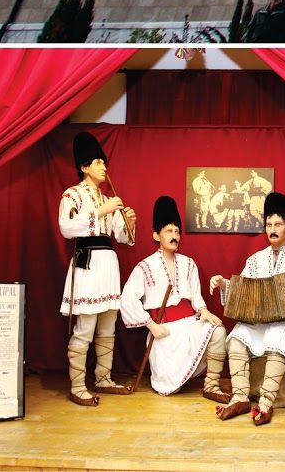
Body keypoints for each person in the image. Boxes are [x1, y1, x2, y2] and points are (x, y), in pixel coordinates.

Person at [209, 190, 285, 425]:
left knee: (278, 336)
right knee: (236, 336)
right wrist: (224, 284)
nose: (272, 229)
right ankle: (239, 396)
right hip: (258, 322)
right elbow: (243, 289)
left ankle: (266, 402)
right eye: (268, 224)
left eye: (278, 223)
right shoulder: (255, 259)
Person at [118, 195, 228, 399]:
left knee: (218, 331)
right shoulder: (145, 267)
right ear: (156, 235)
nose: (174, 235)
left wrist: (203, 311)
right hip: (164, 331)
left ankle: (211, 386)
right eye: (169, 231)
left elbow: (196, 296)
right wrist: (151, 325)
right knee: (170, 390)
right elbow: (127, 300)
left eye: (177, 231)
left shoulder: (189, 263)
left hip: (189, 323)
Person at [59, 131, 136, 407]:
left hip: (108, 264)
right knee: (86, 326)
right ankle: (78, 386)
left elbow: (124, 238)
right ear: (84, 167)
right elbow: (67, 228)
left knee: (107, 326)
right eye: (98, 162)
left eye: (104, 162)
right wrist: (102, 212)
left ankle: (103, 378)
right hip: (88, 263)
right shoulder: (72, 195)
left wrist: (128, 220)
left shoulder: (108, 198)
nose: (104, 167)